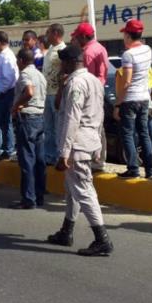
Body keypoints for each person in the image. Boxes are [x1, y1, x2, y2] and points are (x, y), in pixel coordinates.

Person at [46, 45, 113, 256]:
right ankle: (66, 231)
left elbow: (71, 118)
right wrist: (98, 144)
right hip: (89, 141)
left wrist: (64, 153)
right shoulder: (94, 80)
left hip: (76, 145)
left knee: (83, 191)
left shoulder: (76, 83)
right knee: (72, 190)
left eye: (61, 63)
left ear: (67, 63)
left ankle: (102, 239)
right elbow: (99, 114)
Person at [114, 18, 152, 179]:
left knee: (128, 135)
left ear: (129, 36)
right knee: (144, 134)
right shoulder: (148, 49)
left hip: (130, 99)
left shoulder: (128, 55)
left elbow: (127, 81)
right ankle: (150, 170)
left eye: (124, 34)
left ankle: (133, 168)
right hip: (144, 98)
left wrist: (118, 103)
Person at [10, 48, 47, 209]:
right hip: (39, 117)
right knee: (39, 160)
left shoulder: (25, 74)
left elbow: (29, 92)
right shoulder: (40, 74)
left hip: (27, 117)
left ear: (21, 61)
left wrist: (16, 105)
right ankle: (39, 196)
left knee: (27, 160)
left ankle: (28, 198)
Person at [70, 22, 109, 171]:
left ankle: (94, 159)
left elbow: (86, 75)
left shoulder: (87, 52)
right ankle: (100, 159)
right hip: (98, 92)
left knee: (87, 126)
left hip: (89, 93)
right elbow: (103, 74)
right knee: (99, 126)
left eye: (78, 37)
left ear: (84, 37)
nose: (77, 40)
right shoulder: (100, 48)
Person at [0, 31, 18, 160]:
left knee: (5, 123)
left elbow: (9, 78)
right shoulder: (2, 55)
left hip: (4, 94)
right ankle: (0, 147)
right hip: (0, 94)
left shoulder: (7, 56)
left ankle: (9, 149)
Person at [42, 23, 66, 165]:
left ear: (56, 33)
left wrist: (60, 94)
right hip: (47, 93)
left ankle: (58, 155)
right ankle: (49, 155)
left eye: (48, 32)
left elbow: (64, 73)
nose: (47, 36)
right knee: (48, 128)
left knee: (58, 128)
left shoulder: (62, 50)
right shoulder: (51, 49)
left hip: (56, 94)